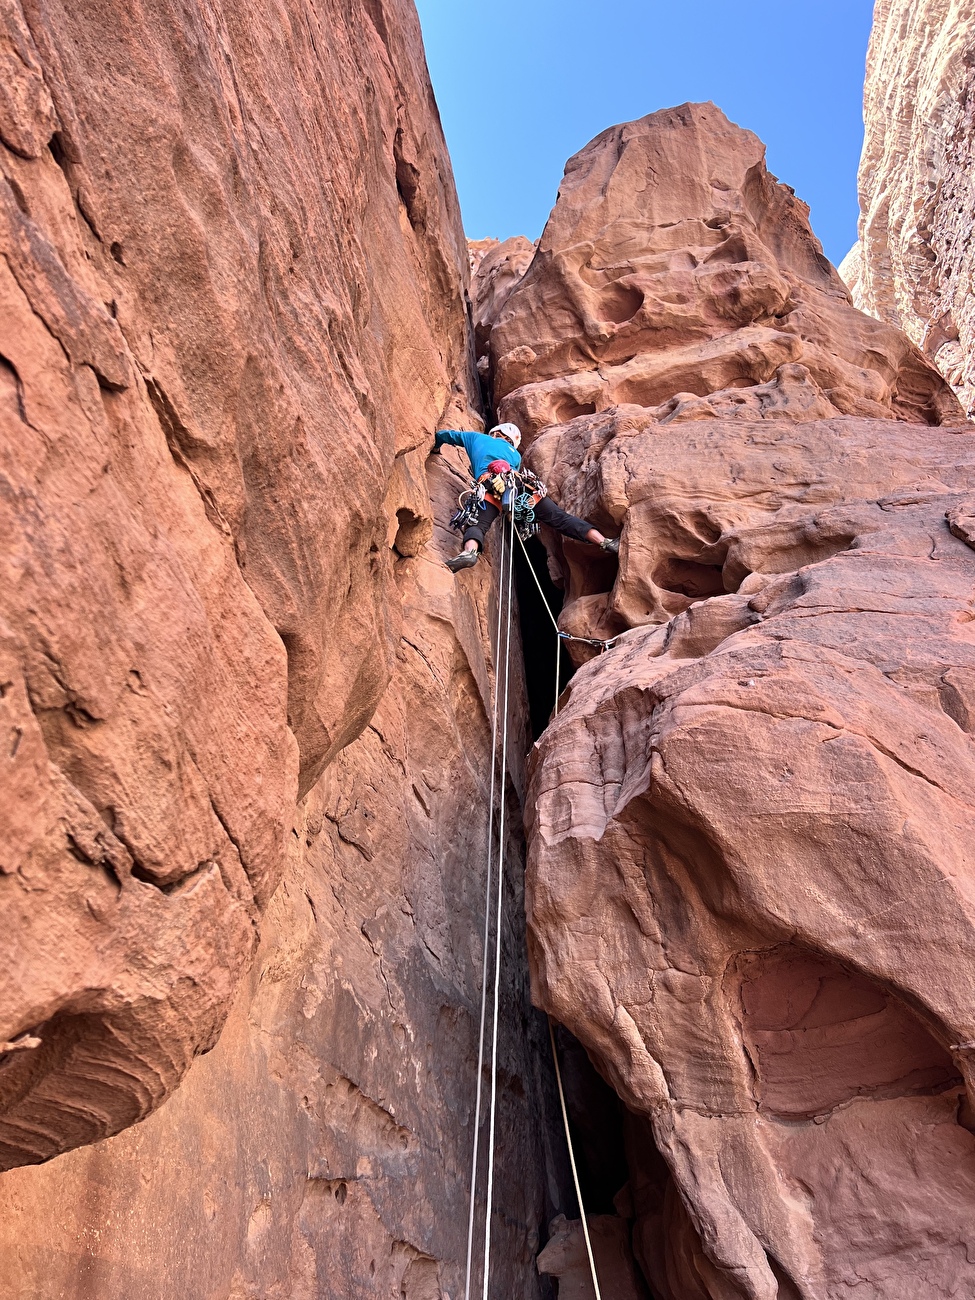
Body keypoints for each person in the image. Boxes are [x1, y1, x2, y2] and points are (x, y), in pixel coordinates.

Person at [431, 422, 619, 572]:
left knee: (477, 525)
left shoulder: (475, 438)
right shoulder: (515, 456)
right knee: (561, 519)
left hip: (489, 488)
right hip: (523, 487)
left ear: (495, 433)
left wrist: (436, 448)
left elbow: (443, 435)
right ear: (512, 441)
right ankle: (603, 541)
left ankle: (470, 552)